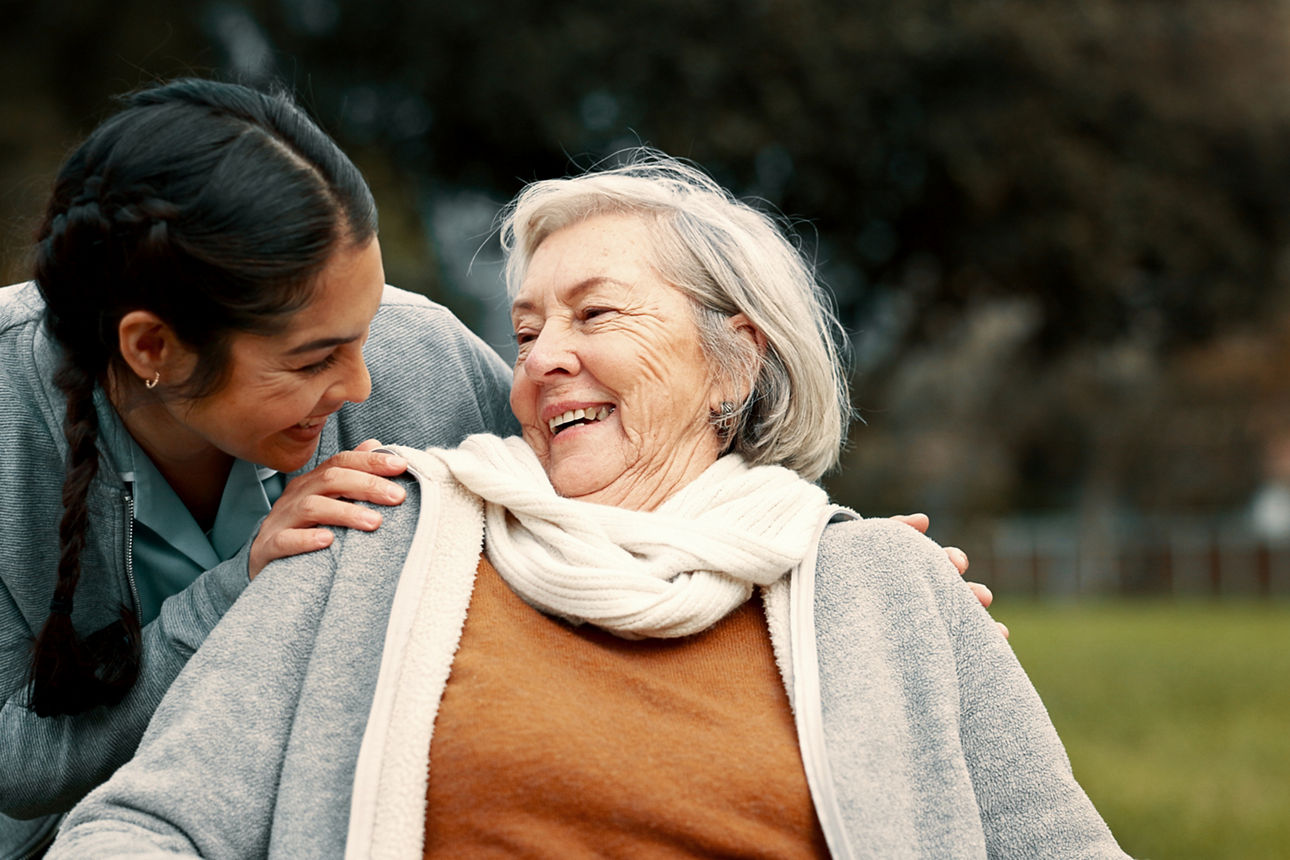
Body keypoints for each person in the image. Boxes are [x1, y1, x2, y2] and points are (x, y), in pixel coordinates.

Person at [47, 151, 1126, 859]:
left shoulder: (883, 586)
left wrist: (905, 602)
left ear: (732, 363)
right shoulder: (381, 535)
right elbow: (148, 825)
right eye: (523, 331)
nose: (545, 358)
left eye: (595, 312)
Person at [0, 78, 517, 859]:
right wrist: (241, 585)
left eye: (366, 330)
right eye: (313, 360)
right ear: (151, 348)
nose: (360, 387)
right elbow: (16, 759)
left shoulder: (430, 362)